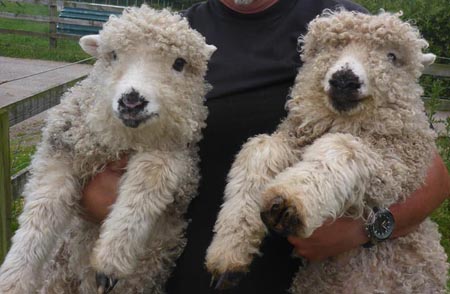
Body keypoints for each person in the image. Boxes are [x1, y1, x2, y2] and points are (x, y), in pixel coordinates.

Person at [81, 0, 450, 293]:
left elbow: (429, 177)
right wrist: (95, 198)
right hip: (182, 277)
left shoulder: (343, 27)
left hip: (317, 278)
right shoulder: (170, 38)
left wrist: (363, 231)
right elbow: (90, 158)